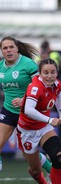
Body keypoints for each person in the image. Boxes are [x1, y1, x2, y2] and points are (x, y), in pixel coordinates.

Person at [17, 58, 61, 184]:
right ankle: (42, 182)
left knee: (59, 158)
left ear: (57, 73)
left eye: (53, 72)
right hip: (27, 130)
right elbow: (28, 110)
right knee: (34, 170)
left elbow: (58, 96)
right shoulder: (35, 87)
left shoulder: (57, 84)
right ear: (39, 73)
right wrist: (50, 119)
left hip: (44, 128)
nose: (49, 76)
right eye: (45, 72)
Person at [0, 36, 52, 173]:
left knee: (28, 156)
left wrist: (24, 100)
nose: (9, 50)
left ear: (17, 49)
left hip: (27, 113)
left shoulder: (29, 64)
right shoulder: (1, 67)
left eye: (11, 47)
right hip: (8, 111)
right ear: (2, 51)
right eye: (5, 48)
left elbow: (40, 87)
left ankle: (51, 170)